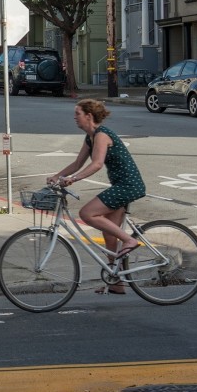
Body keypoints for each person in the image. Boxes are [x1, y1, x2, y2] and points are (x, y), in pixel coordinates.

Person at [51, 99, 145, 294]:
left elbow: (97, 164)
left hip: (127, 185)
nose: (74, 117)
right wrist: (57, 176)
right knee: (109, 234)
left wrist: (73, 180)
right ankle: (116, 280)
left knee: (87, 213)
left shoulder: (102, 135)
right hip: (120, 185)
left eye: (77, 113)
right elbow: (77, 163)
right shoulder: (90, 137)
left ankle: (130, 241)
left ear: (89, 116)